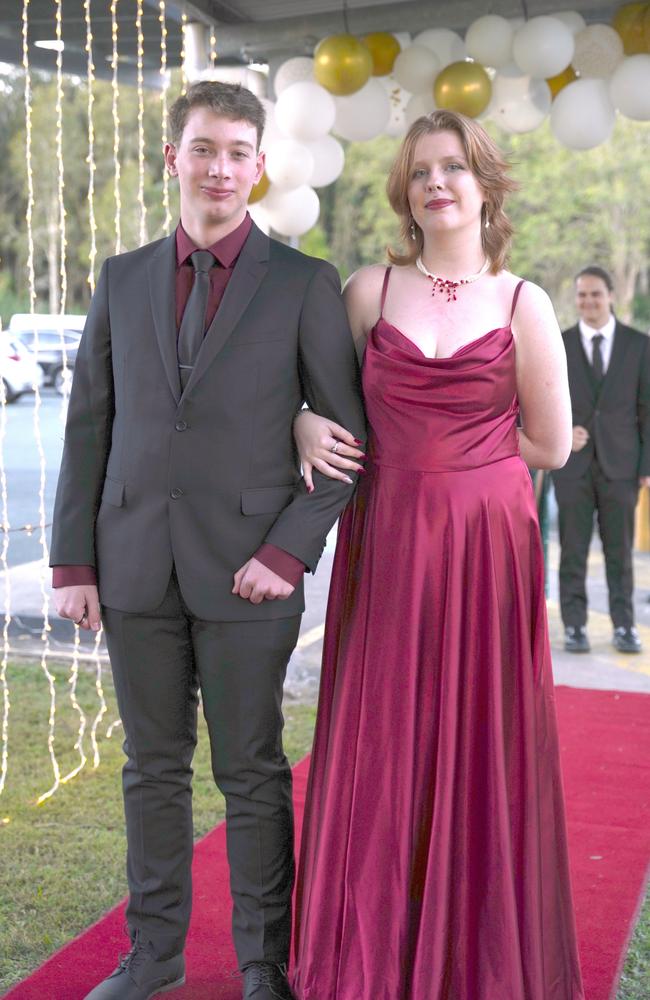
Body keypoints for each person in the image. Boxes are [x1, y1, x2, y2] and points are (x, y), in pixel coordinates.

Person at [49, 81, 365, 1000]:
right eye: (203, 148)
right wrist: (75, 562)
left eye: (237, 151)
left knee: (252, 771)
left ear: (259, 167)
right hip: (134, 563)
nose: (220, 167)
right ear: (173, 159)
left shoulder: (307, 284)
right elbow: (89, 427)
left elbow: (347, 444)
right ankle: (154, 957)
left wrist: (286, 552)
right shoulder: (121, 277)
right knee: (151, 771)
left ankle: (264, 964)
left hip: (249, 576)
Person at [290, 110, 585, 1000]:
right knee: (385, 737)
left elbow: (551, 443)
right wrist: (303, 421)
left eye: (453, 168)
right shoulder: (368, 292)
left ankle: (472, 957)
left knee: (477, 736)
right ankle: (367, 956)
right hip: (387, 540)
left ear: (485, 185)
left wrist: (465, 470)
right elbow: (322, 404)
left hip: (488, 545)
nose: (437, 184)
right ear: (406, 192)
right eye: (421, 172)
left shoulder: (523, 300)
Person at [552, 266, 650, 654]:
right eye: (582, 295)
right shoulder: (558, 344)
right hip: (572, 466)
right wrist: (563, 432)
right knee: (572, 549)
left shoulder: (639, 345)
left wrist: (646, 467)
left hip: (622, 466)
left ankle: (625, 625)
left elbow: (647, 409)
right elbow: (539, 399)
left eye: (595, 294)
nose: (588, 301)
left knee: (620, 551)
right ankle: (575, 626)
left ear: (610, 296)